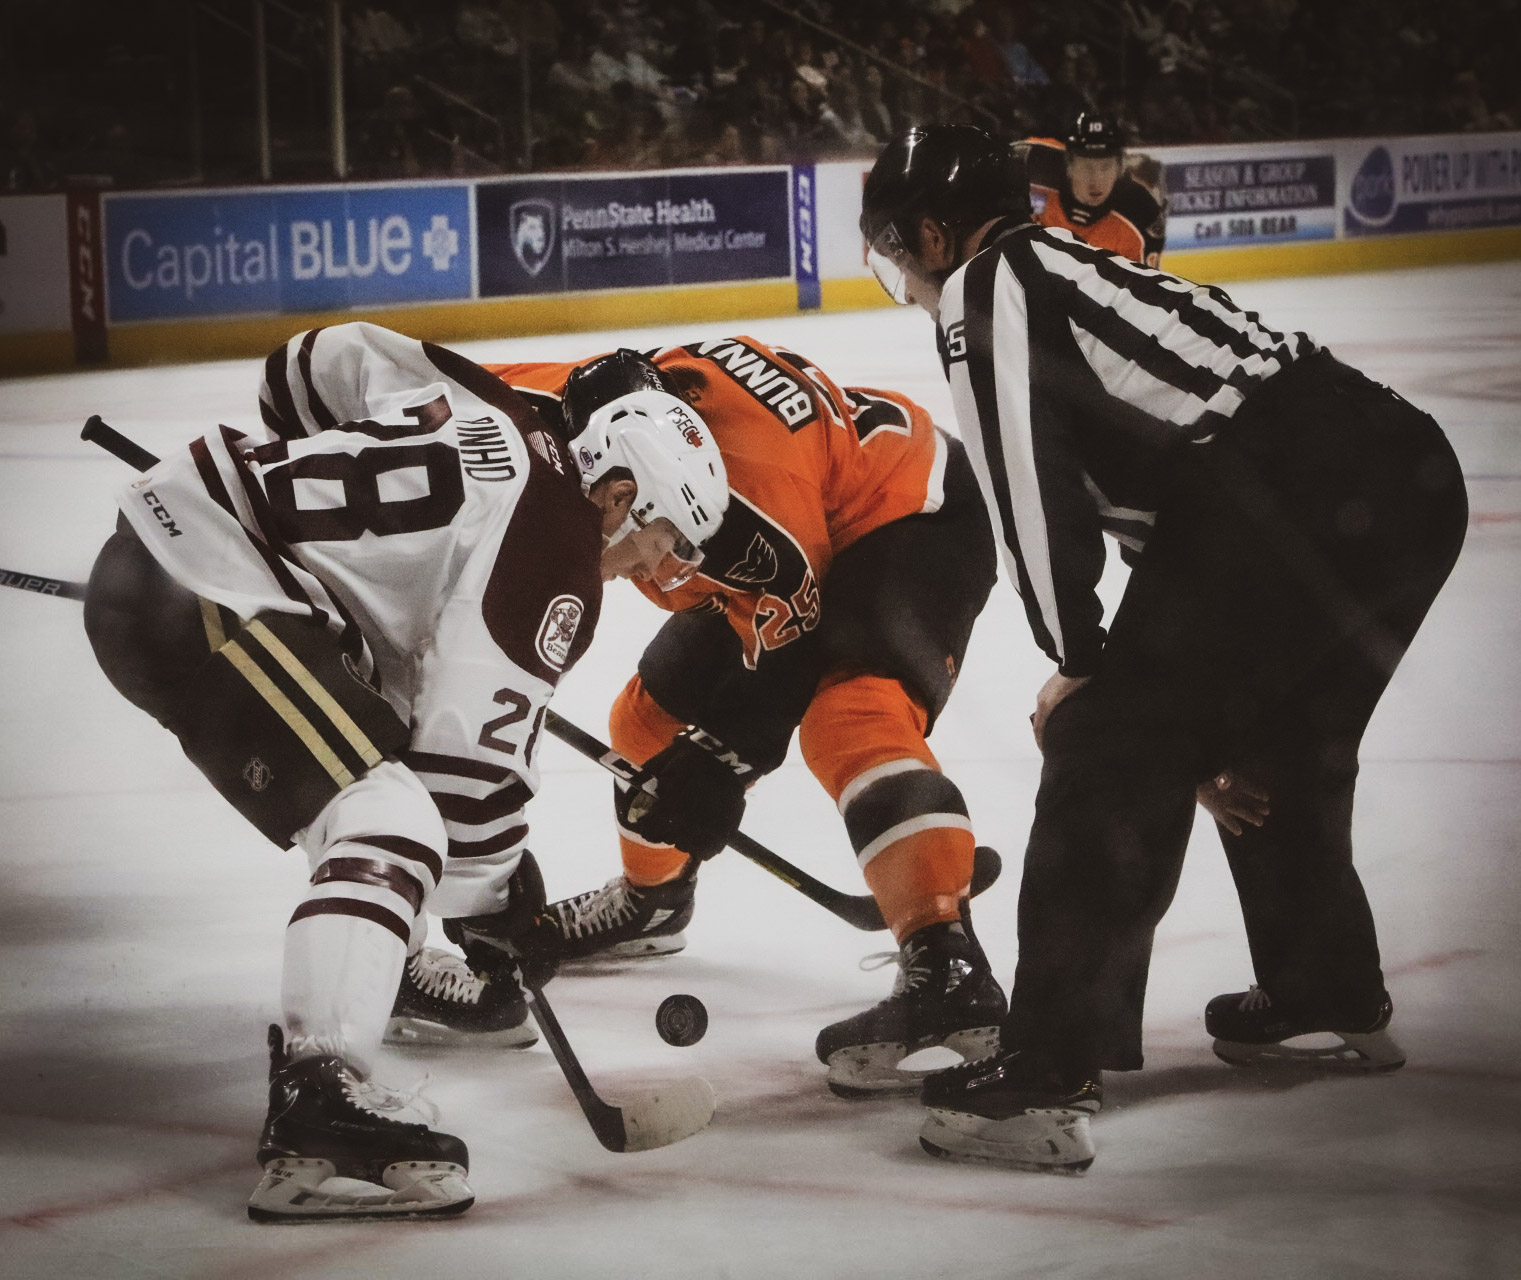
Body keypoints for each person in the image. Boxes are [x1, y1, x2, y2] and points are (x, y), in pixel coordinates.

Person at [859, 126, 1468, 1172]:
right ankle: (1326, 990)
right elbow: (1202, 549)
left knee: (1108, 740)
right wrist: (1178, 708)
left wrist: (1081, 667)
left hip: (1289, 478)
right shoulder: (1070, 260)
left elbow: (1031, 502)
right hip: (1401, 471)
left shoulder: (986, 282)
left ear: (928, 230)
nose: (902, 280)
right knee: (1282, 745)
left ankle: (1045, 1074)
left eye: (893, 253)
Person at [81, 321, 728, 1219]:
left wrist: (303, 513)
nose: (653, 569)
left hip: (184, 560)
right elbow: (463, 784)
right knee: (392, 821)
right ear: (618, 491)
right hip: (210, 591)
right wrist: (505, 905)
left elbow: (314, 361)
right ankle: (322, 1103)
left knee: (376, 781)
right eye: (660, 540)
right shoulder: (559, 551)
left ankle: (370, 986)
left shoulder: (497, 402)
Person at [476, 340, 1007, 1097]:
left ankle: (946, 961)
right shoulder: (556, 410)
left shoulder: (753, 514)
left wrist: (723, 762)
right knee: (646, 723)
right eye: (659, 553)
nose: (654, 575)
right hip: (793, 512)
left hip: (898, 516)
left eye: (669, 554)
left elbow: (789, 656)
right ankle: (653, 902)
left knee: (849, 716)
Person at [1018, 111, 1168, 267]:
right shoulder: (1033, 161)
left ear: (1119, 168)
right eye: (1086, 167)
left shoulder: (1142, 216)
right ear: (1069, 165)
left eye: (1105, 167)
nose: (1096, 181)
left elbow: (1142, 288)